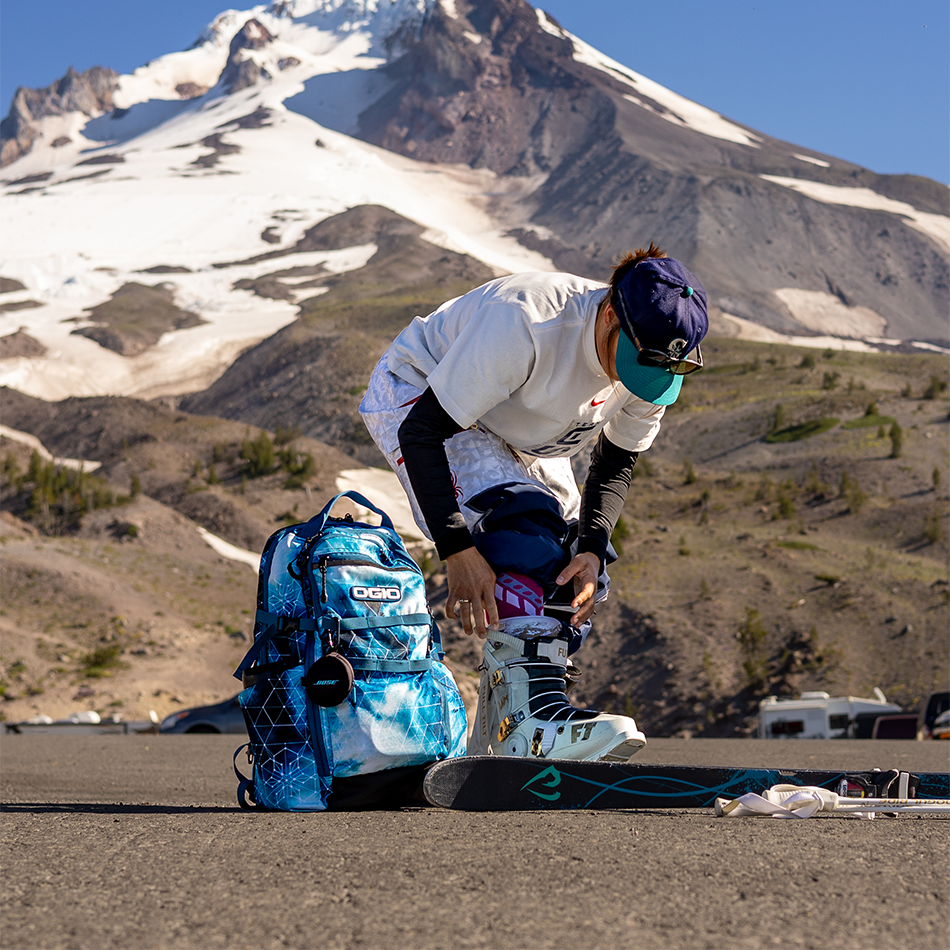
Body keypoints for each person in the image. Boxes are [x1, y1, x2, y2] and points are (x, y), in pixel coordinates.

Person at [359, 242, 707, 761]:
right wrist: (457, 550)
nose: (634, 381)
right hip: (423, 395)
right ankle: (527, 725)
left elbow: (615, 464)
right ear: (610, 314)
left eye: (659, 371)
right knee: (520, 533)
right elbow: (422, 433)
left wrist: (592, 550)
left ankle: (509, 721)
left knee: (574, 567)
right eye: (634, 363)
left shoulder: (653, 360)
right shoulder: (527, 322)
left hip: (521, 428)